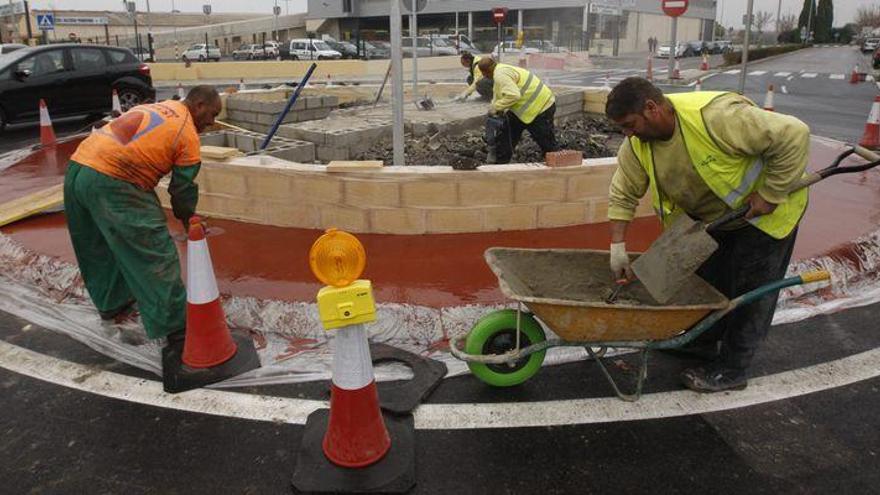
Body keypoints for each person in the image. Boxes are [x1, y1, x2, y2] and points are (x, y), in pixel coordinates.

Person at [604, 77, 809, 393]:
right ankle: (700, 343)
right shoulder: (637, 145)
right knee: (706, 284)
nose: (628, 134)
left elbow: (794, 134)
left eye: (630, 125)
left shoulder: (716, 117)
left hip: (764, 218)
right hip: (716, 220)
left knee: (749, 293)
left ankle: (732, 368)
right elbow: (623, 192)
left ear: (651, 107)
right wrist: (617, 244)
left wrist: (771, 193)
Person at [64, 85, 222, 345]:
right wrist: (188, 218)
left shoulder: (157, 107)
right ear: (199, 106)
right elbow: (182, 189)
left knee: (96, 246)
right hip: (115, 180)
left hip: (79, 168)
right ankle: (176, 329)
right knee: (154, 252)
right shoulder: (187, 134)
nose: (213, 122)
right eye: (212, 114)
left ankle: (112, 304)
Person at [478, 57, 559, 164]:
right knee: (509, 132)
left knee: (546, 141)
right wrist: (494, 107)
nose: (485, 77)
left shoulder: (500, 76)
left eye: (484, 74)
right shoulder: (501, 69)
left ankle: (558, 165)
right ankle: (501, 162)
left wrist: (496, 107)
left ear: (485, 72)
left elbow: (514, 95)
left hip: (540, 107)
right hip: (528, 106)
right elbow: (498, 93)